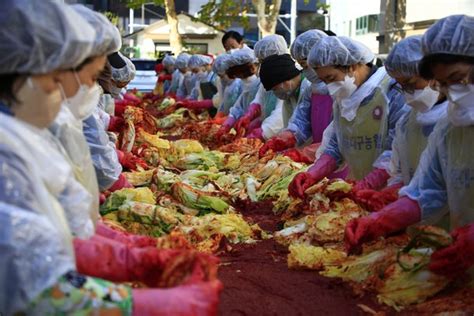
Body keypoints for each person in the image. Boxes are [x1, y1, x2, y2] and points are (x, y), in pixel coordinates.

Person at [344, 15, 474, 279]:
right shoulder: (450, 129)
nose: (452, 92)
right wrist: (378, 221)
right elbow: (428, 190)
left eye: (457, 78)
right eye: (445, 84)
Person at [288, 36, 407, 198]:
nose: (330, 88)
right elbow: (336, 145)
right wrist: (313, 174)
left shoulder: (392, 92)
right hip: (359, 193)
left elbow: (397, 152)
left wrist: (368, 184)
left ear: (351, 66)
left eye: (331, 78)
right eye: (324, 81)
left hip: (393, 195)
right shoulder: (343, 99)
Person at [353, 35, 449, 211]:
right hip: (416, 223)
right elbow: (400, 171)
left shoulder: (458, 121)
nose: (407, 92)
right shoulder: (407, 123)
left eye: (411, 83)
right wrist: (390, 193)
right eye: (402, 86)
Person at [259, 30, 333, 163]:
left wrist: (302, 153)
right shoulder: (312, 91)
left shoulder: (342, 91)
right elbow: (299, 123)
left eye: (305, 66)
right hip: (320, 160)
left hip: (340, 163)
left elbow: (340, 140)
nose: (305, 71)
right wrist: (282, 139)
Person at [241, 34, 287, 140]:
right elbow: (260, 98)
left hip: (282, 135)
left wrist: (262, 131)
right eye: (260, 61)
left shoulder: (287, 78)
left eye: (262, 61)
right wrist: (251, 112)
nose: (261, 66)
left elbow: (281, 113)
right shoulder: (268, 76)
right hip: (271, 135)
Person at [216, 48, 261, 138]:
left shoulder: (259, 85)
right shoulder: (246, 85)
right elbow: (238, 108)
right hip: (248, 133)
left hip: (262, 133)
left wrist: (252, 126)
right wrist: (228, 123)